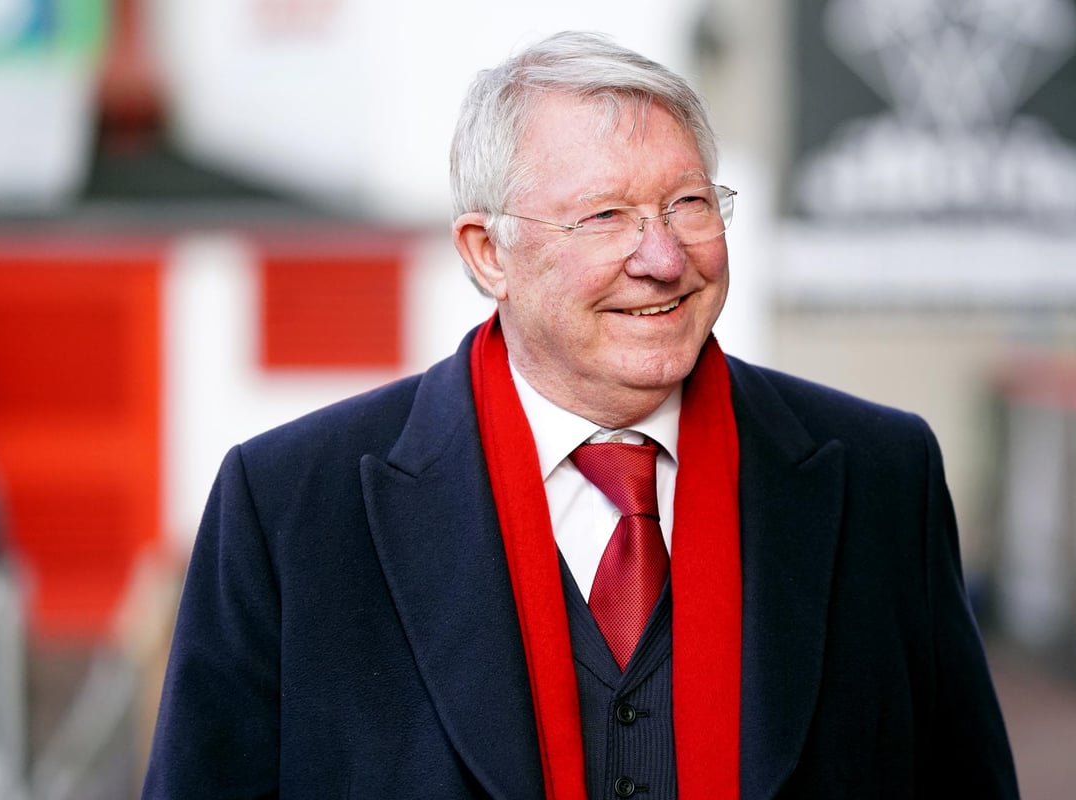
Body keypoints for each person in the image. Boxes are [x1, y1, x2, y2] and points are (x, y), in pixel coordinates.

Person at [143, 31, 1018, 799]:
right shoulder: (290, 507)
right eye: (605, 217)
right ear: (488, 253)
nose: (663, 257)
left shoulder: (880, 477)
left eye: (688, 204)